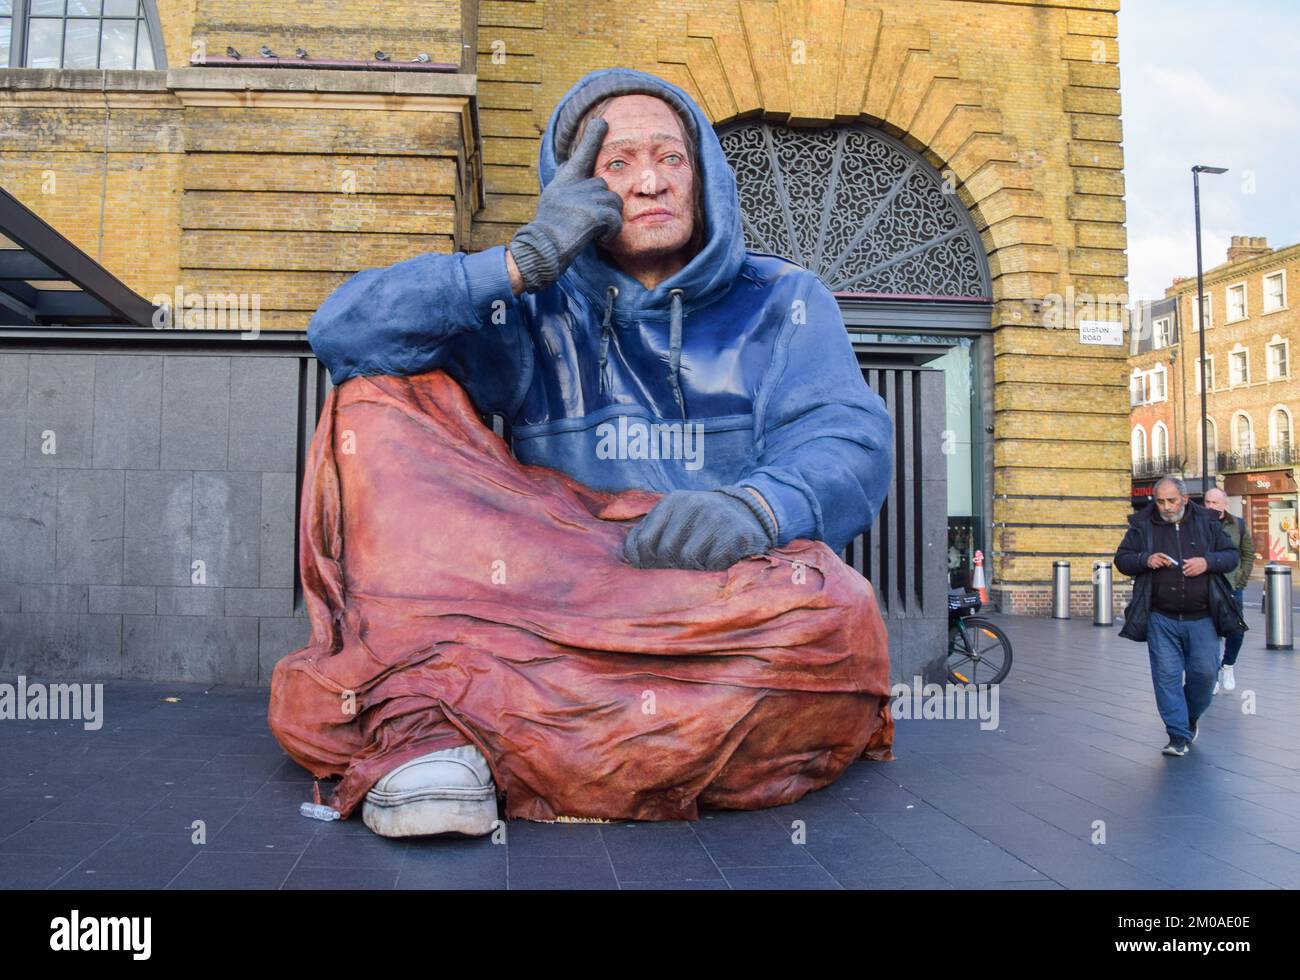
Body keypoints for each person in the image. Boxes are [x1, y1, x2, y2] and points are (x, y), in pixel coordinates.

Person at [269, 67, 895, 837]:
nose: (650, 183)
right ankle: (526, 733)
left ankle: (451, 727)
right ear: (573, 186)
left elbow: (848, 437)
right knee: (370, 402)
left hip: (711, 601)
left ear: (705, 178)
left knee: (841, 613)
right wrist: (519, 262)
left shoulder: (785, 299)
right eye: (618, 163)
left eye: (671, 159)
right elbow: (343, 334)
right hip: (544, 596)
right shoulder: (530, 304)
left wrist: (756, 506)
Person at [1114, 476, 1246, 756]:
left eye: (1172, 500)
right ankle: (1177, 735)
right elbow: (1122, 560)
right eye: (1160, 501)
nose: (1166, 507)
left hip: (1202, 617)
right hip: (1161, 617)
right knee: (1166, 677)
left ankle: (1189, 717)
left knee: (1205, 674)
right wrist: (1144, 560)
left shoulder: (1207, 522)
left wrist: (1207, 562)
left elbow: (1231, 556)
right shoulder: (1142, 524)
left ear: (1185, 499)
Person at [1202, 488, 1254, 693]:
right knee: (1210, 632)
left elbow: (1248, 554)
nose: (1211, 506)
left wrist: (1241, 579)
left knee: (1236, 629)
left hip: (1232, 585)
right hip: (1207, 585)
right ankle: (1213, 675)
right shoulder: (1200, 524)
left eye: (1215, 502)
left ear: (1225, 504)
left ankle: (1228, 665)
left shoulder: (1238, 524)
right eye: (1207, 502)